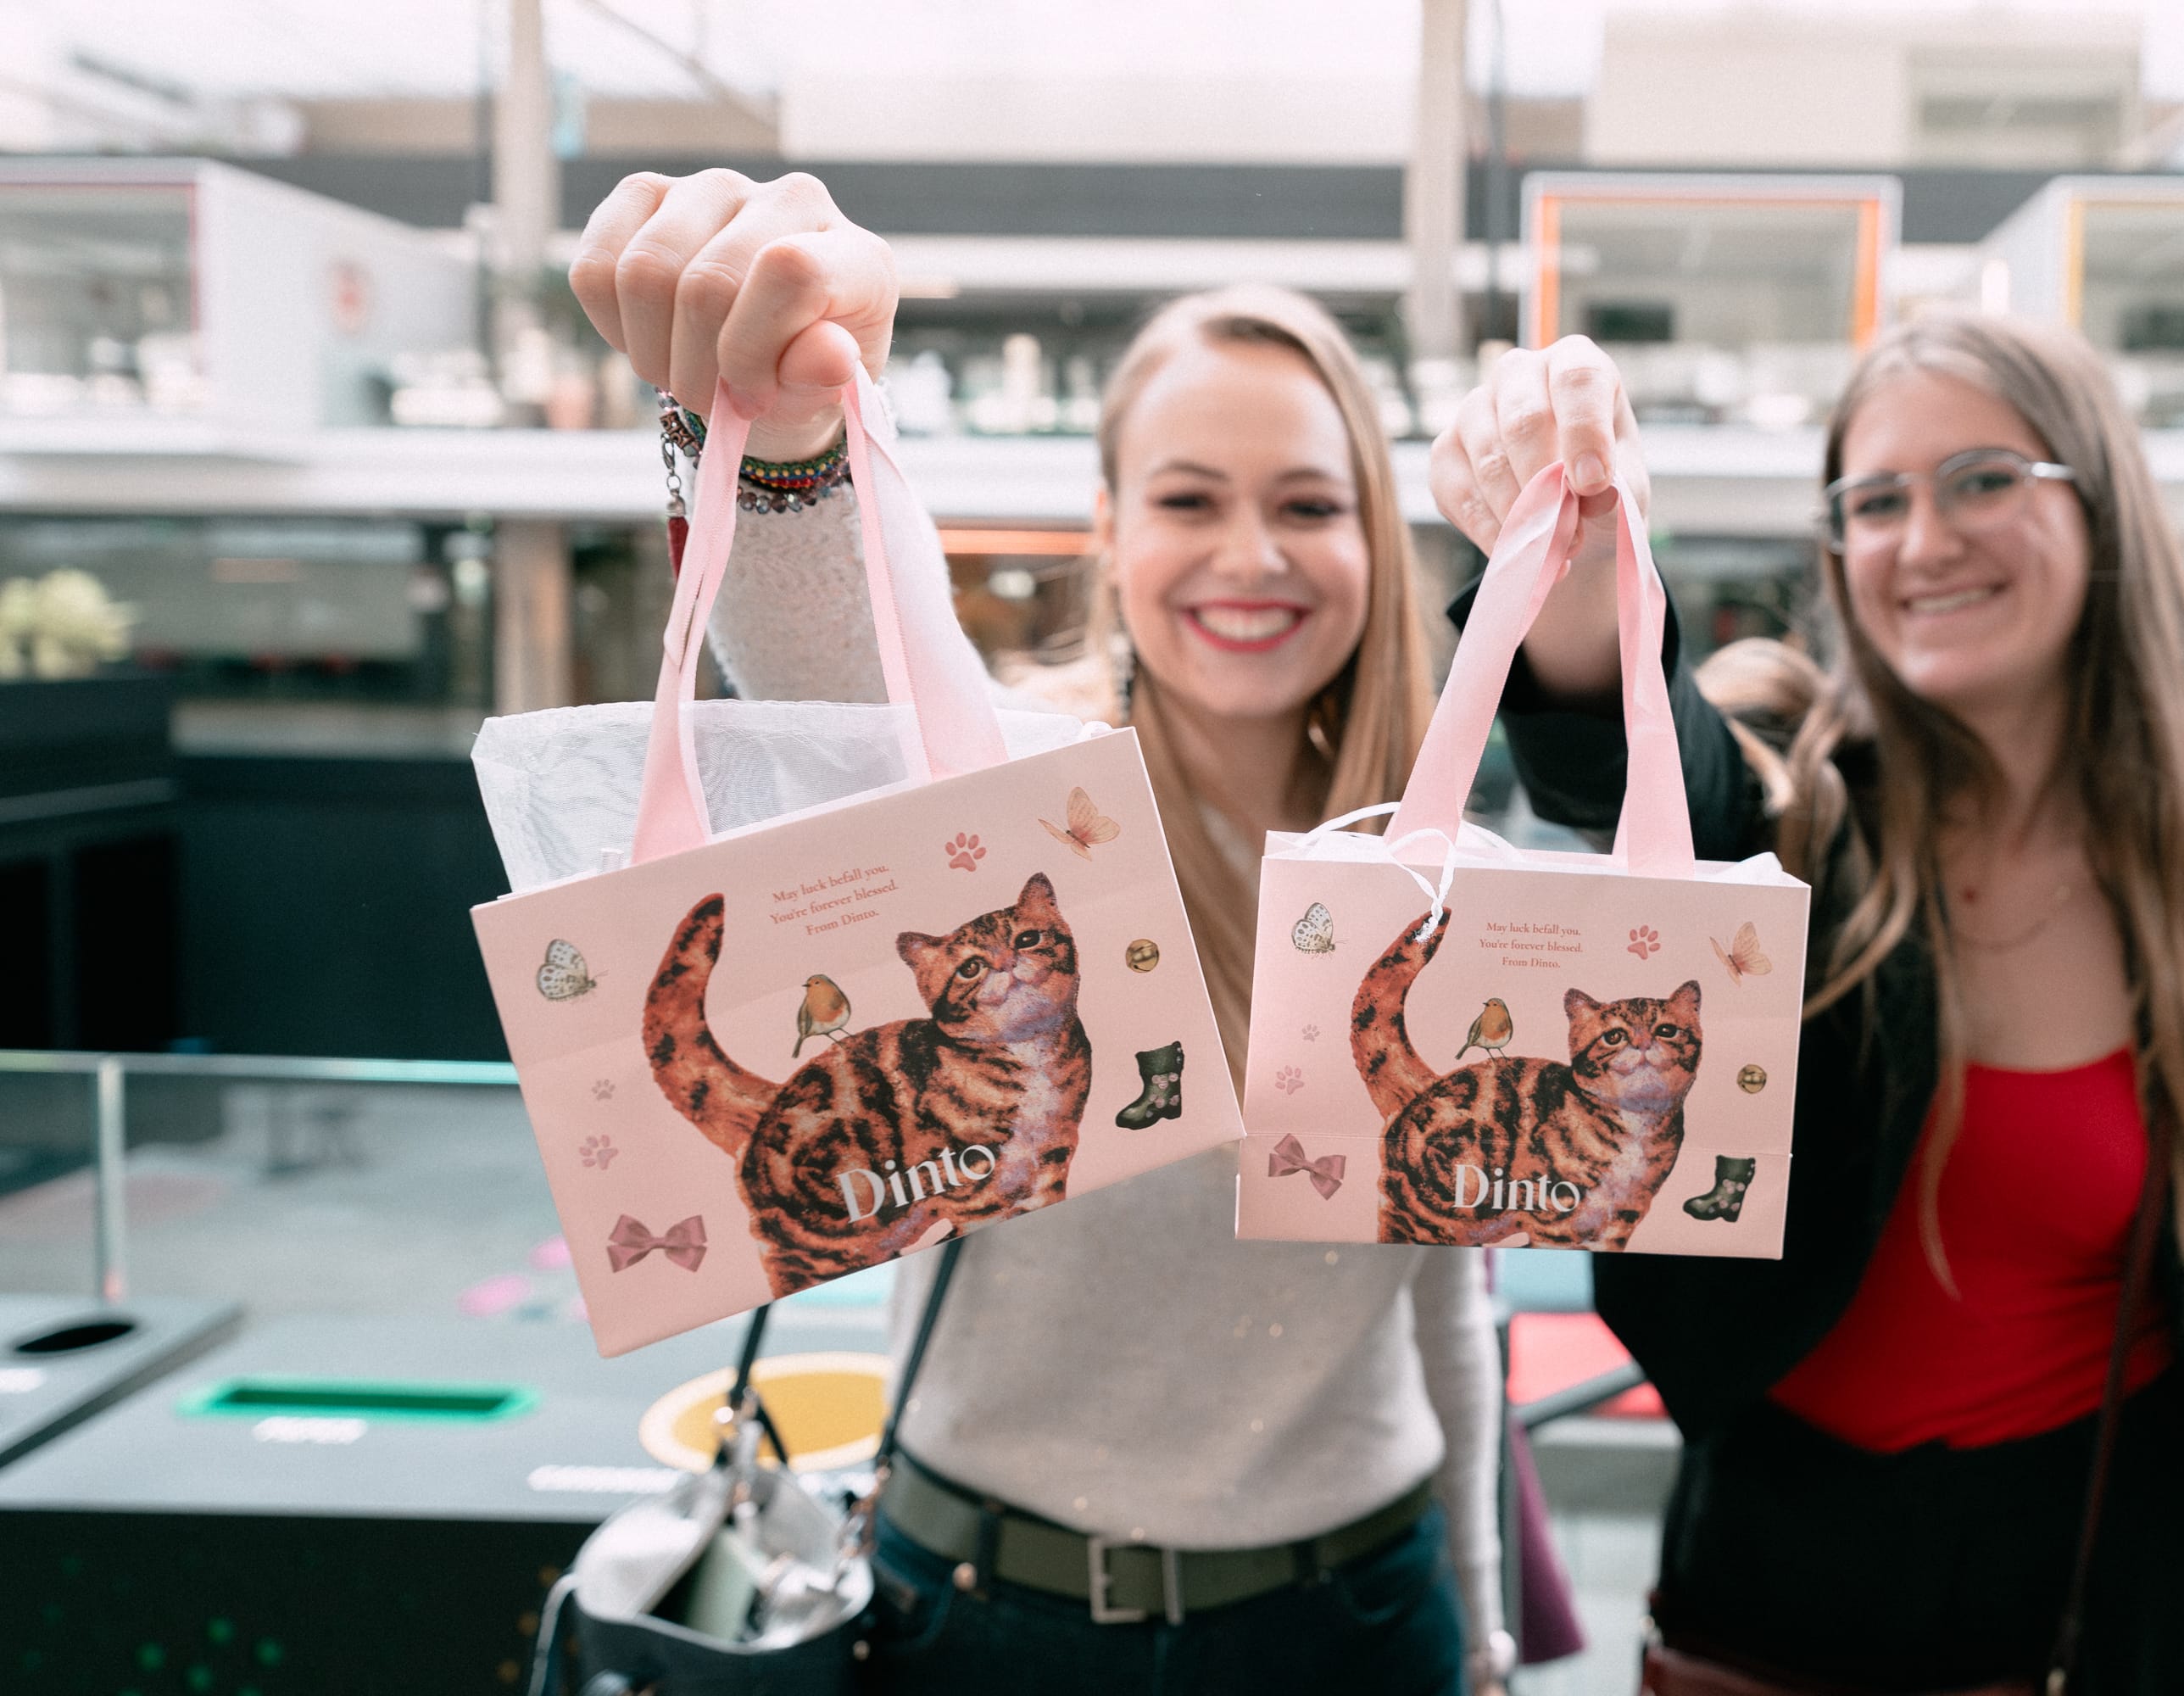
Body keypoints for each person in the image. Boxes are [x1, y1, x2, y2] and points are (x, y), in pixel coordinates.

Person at [566, 168, 1510, 1696]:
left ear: (1374, 541)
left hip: (1357, 1624)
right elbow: (843, 679)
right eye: (1190, 499)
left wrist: (1485, 1625)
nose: (1252, 555)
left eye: (1308, 504)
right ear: (1111, 531)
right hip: (990, 1620)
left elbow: (1447, 1306)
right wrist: (787, 434)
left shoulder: (1429, 869)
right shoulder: (1024, 817)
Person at [1427, 318, 2184, 1693]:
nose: (1925, 540)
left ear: (2101, 505)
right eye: (1876, 501)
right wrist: (1583, 578)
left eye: (1984, 479)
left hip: (2114, 1611)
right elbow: (1653, 778)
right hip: (1765, 1615)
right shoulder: (1798, 808)